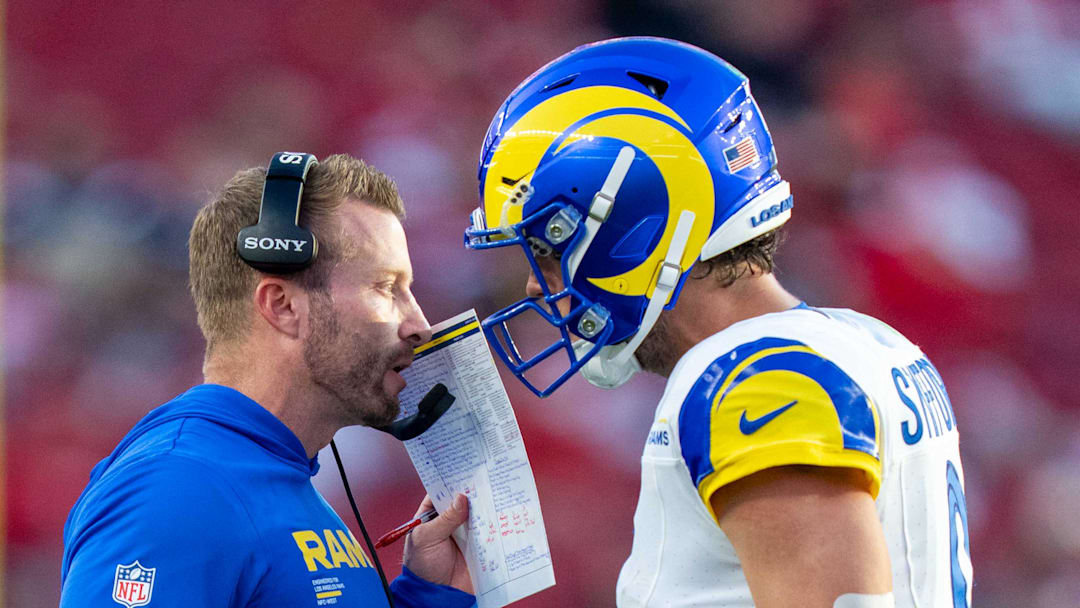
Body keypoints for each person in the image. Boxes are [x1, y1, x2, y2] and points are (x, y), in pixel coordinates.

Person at [465, 37, 971, 608]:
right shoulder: (868, 342)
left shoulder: (753, 380)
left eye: (549, 246)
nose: (536, 283)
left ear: (638, 224)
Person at [61, 153, 476, 607]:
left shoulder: (268, 477)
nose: (419, 324)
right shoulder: (178, 490)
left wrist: (428, 598)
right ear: (281, 305)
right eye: (384, 287)